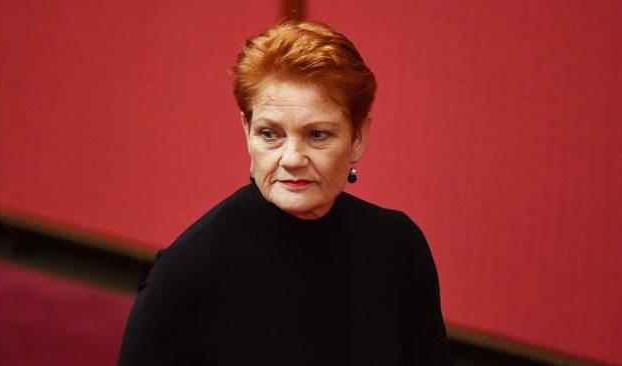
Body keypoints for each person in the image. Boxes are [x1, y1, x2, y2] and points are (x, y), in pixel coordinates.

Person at [118, 21, 452, 365]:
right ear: (245, 130)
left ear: (358, 137)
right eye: (269, 134)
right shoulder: (189, 269)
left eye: (318, 135)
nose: (292, 159)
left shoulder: (397, 247)